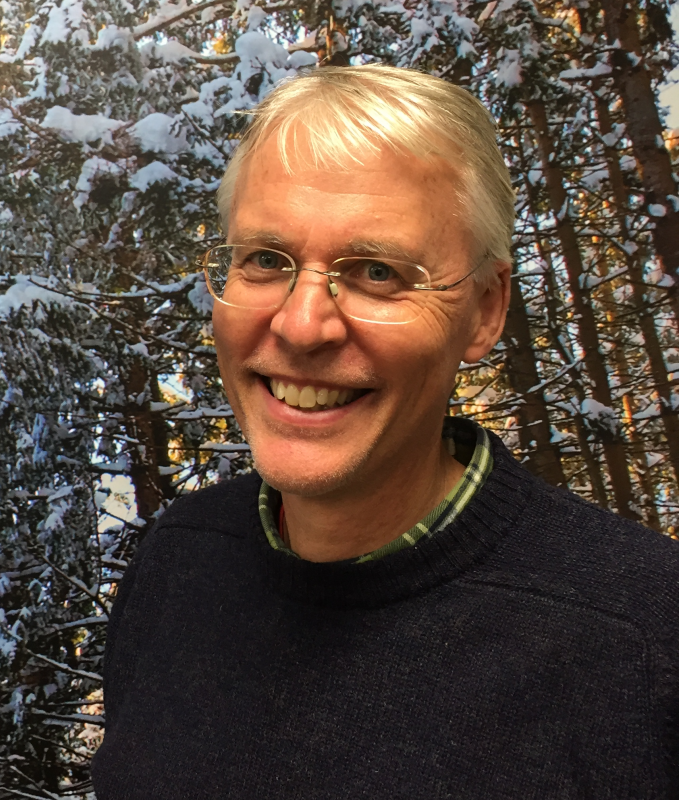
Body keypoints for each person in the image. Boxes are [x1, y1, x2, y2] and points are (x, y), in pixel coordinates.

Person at [92, 66, 679, 798]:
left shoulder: (645, 636)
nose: (303, 325)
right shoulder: (178, 563)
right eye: (267, 260)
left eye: (376, 271)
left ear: (487, 310)